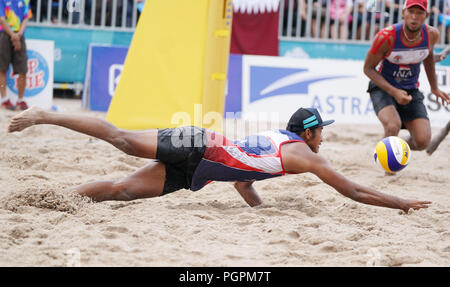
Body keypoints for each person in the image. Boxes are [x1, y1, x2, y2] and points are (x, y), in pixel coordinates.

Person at [7, 106, 432, 213]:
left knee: (120, 191)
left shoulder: (281, 142)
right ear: (308, 132)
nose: (325, 136)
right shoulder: (302, 153)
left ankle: (51, 197)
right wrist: (401, 203)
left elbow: (244, 179)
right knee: (122, 140)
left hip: (200, 172)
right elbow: (353, 189)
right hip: (198, 144)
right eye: (322, 129)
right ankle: (46, 115)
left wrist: (262, 212)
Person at [364, 0, 450, 156]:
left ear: (426, 16)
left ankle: (391, 148)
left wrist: (434, 88)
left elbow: (428, 58)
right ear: (403, 13)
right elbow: (368, 69)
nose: (414, 17)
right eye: (411, 12)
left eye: (419, 13)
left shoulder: (431, 34)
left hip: (410, 90)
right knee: (392, 126)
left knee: (422, 141)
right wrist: (394, 92)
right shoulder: (386, 36)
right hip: (383, 88)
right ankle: (388, 167)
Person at [0, 0, 31, 111]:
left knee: (23, 69)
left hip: (18, 33)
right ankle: (4, 100)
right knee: (2, 68)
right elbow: (2, 19)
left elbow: (26, 18)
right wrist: (14, 35)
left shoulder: (25, 1)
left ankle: (20, 100)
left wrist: (18, 35)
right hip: (4, 34)